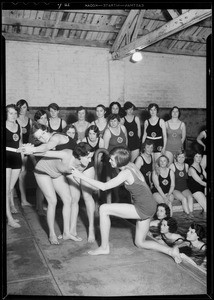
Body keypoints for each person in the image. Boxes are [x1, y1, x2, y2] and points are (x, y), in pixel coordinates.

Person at [71, 147, 182, 263]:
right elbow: (142, 183)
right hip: (150, 205)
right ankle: (171, 251)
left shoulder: (125, 173)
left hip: (143, 207)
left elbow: (104, 187)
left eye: (112, 160)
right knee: (140, 243)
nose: (109, 161)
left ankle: (104, 247)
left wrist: (81, 176)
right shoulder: (130, 165)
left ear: (119, 161)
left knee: (104, 209)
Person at [20, 127, 96, 243]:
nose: (90, 160)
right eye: (88, 157)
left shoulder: (79, 165)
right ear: (80, 156)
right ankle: (52, 234)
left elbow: (82, 183)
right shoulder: (66, 154)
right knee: (53, 201)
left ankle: (66, 233)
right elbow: (46, 151)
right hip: (43, 172)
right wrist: (30, 149)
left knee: (68, 199)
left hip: (57, 173)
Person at [6, 104, 22, 228]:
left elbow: (20, 143)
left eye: (15, 113)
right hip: (6, 158)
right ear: (6, 114)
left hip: (16, 159)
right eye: (11, 113)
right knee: (6, 190)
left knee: (10, 189)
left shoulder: (19, 126)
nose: (13, 115)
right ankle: (10, 218)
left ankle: (9, 213)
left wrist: (23, 154)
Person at [16, 99, 33, 207]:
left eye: (25, 107)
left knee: (24, 173)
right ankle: (23, 200)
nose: (23, 109)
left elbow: (31, 137)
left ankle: (23, 199)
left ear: (27, 108)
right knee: (21, 174)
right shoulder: (15, 120)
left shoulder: (29, 120)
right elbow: (17, 139)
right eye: (21, 107)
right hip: (18, 149)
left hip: (27, 149)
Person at [169, 150, 194, 218]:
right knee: (184, 199)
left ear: (185, 157)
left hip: (184, 188)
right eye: (179, 157)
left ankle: (191, 215)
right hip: (175, 189)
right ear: (176, 157)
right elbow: (168, 179)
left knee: (190, 198)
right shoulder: (172, 166)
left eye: (183, 157)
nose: (181, 159)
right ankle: (188, 216)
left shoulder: (186, 166)